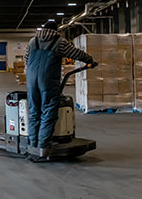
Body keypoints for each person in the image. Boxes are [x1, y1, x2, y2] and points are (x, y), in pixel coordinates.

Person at [24, 21, 97, 161]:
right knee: (48, 111)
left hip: (31, 80)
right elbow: (76, 53)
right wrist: (90, 60)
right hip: (47, 80)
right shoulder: (59, 42)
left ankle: (32, 146)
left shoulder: (33, 41)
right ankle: (43, 147)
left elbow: (27, 60)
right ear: (56, 30)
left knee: (34, 112)